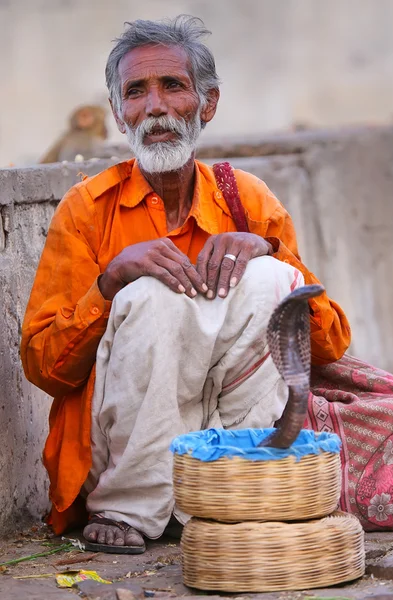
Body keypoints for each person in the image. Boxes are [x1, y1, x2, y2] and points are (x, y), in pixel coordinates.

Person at [21, 15, 351, 553]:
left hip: (227, 449)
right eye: (135, 92)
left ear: (208, 104)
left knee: (271, 277)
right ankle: (131, 505)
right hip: (117, 459)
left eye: (172, 86)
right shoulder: (86, 211)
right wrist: (110, 283)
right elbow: (43, 366)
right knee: (149, 295)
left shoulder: (249, 201)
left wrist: (266, 250)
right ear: (118, 113)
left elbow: (329, 341)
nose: (154, 107)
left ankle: (236, 483)